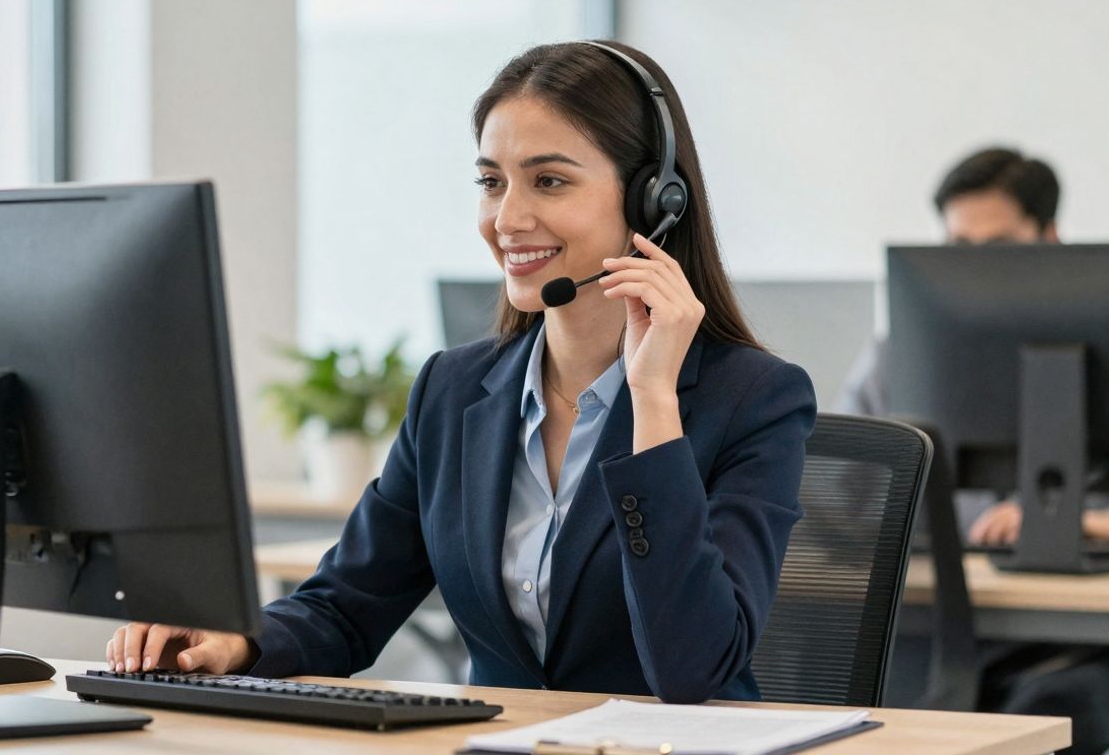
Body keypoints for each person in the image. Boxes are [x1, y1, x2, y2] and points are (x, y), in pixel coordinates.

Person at [106, 41, 816, 704]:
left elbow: (694, 671)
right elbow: (348, 606)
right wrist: (236, 643)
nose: (507, 218)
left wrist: (653, 402)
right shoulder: (453, 391)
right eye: (491, 181)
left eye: (549, 181)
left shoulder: (753, 400)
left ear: (655, 201)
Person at [834, 147, 1109, 545]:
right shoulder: (900, 360)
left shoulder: (1096, 349)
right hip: (934, 594)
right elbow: (825, 492)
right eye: (959, 248)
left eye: (1000, 247)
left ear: (1049, 238)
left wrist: (1079, 522)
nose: (977, 270)